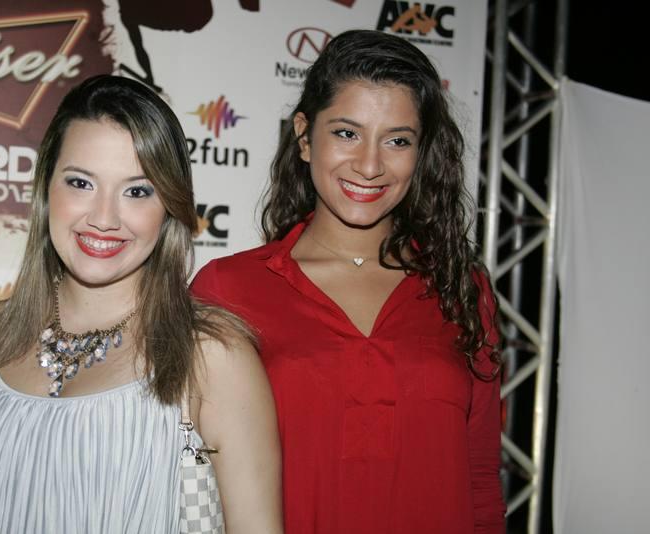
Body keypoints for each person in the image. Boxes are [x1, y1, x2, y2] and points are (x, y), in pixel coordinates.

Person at [0, 75, 282, 534]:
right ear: (47, 188)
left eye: (137, 191)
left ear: (169, 205)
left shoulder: (212, 358)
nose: (104, 218)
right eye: (81, 182)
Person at [191, 30, 505, 534]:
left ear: (421, 152)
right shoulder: (228, 290)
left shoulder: (461, 289)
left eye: (397, 140)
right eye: (346, 133)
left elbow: (481, 482)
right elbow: (191, 478)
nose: (370, 165)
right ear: (304, 137)